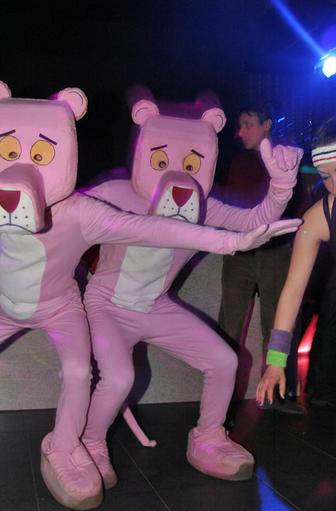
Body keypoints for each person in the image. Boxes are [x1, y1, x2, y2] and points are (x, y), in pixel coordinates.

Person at [0, 81, 293, 511]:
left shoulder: (95, 211)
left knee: (185, 364)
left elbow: (159, 228)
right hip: (40, 304)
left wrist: (278, 191)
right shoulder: (94, 196)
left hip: (91, 306)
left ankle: (84, 445)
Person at [80, 95, 302, 488]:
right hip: (106, 304)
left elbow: (253, 220)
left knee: (224, 361)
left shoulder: (201, 205)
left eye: (190, 162)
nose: (177, 172)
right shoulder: (116, 192)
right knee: (117, 378)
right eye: (162, 159)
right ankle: (89, 443)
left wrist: (281, 186)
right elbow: (64, 217)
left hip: (156, 307)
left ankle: (208, 437)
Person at [217, 105, 305, 414]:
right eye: (239, 124)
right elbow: (228, 206)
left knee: (277, 323)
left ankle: (276, 396)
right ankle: (220, 399)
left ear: (267, 125)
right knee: (229, 326)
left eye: (248, 123)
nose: (241, 131)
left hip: (275, 254)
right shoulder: (237, 162)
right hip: (240, 254)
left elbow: (298, 206)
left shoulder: (285, 159)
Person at [256, 115, 336, 407]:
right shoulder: (319, 218)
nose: (335, 185)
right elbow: (293, 290)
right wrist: (276, 360)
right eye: (325, 176)